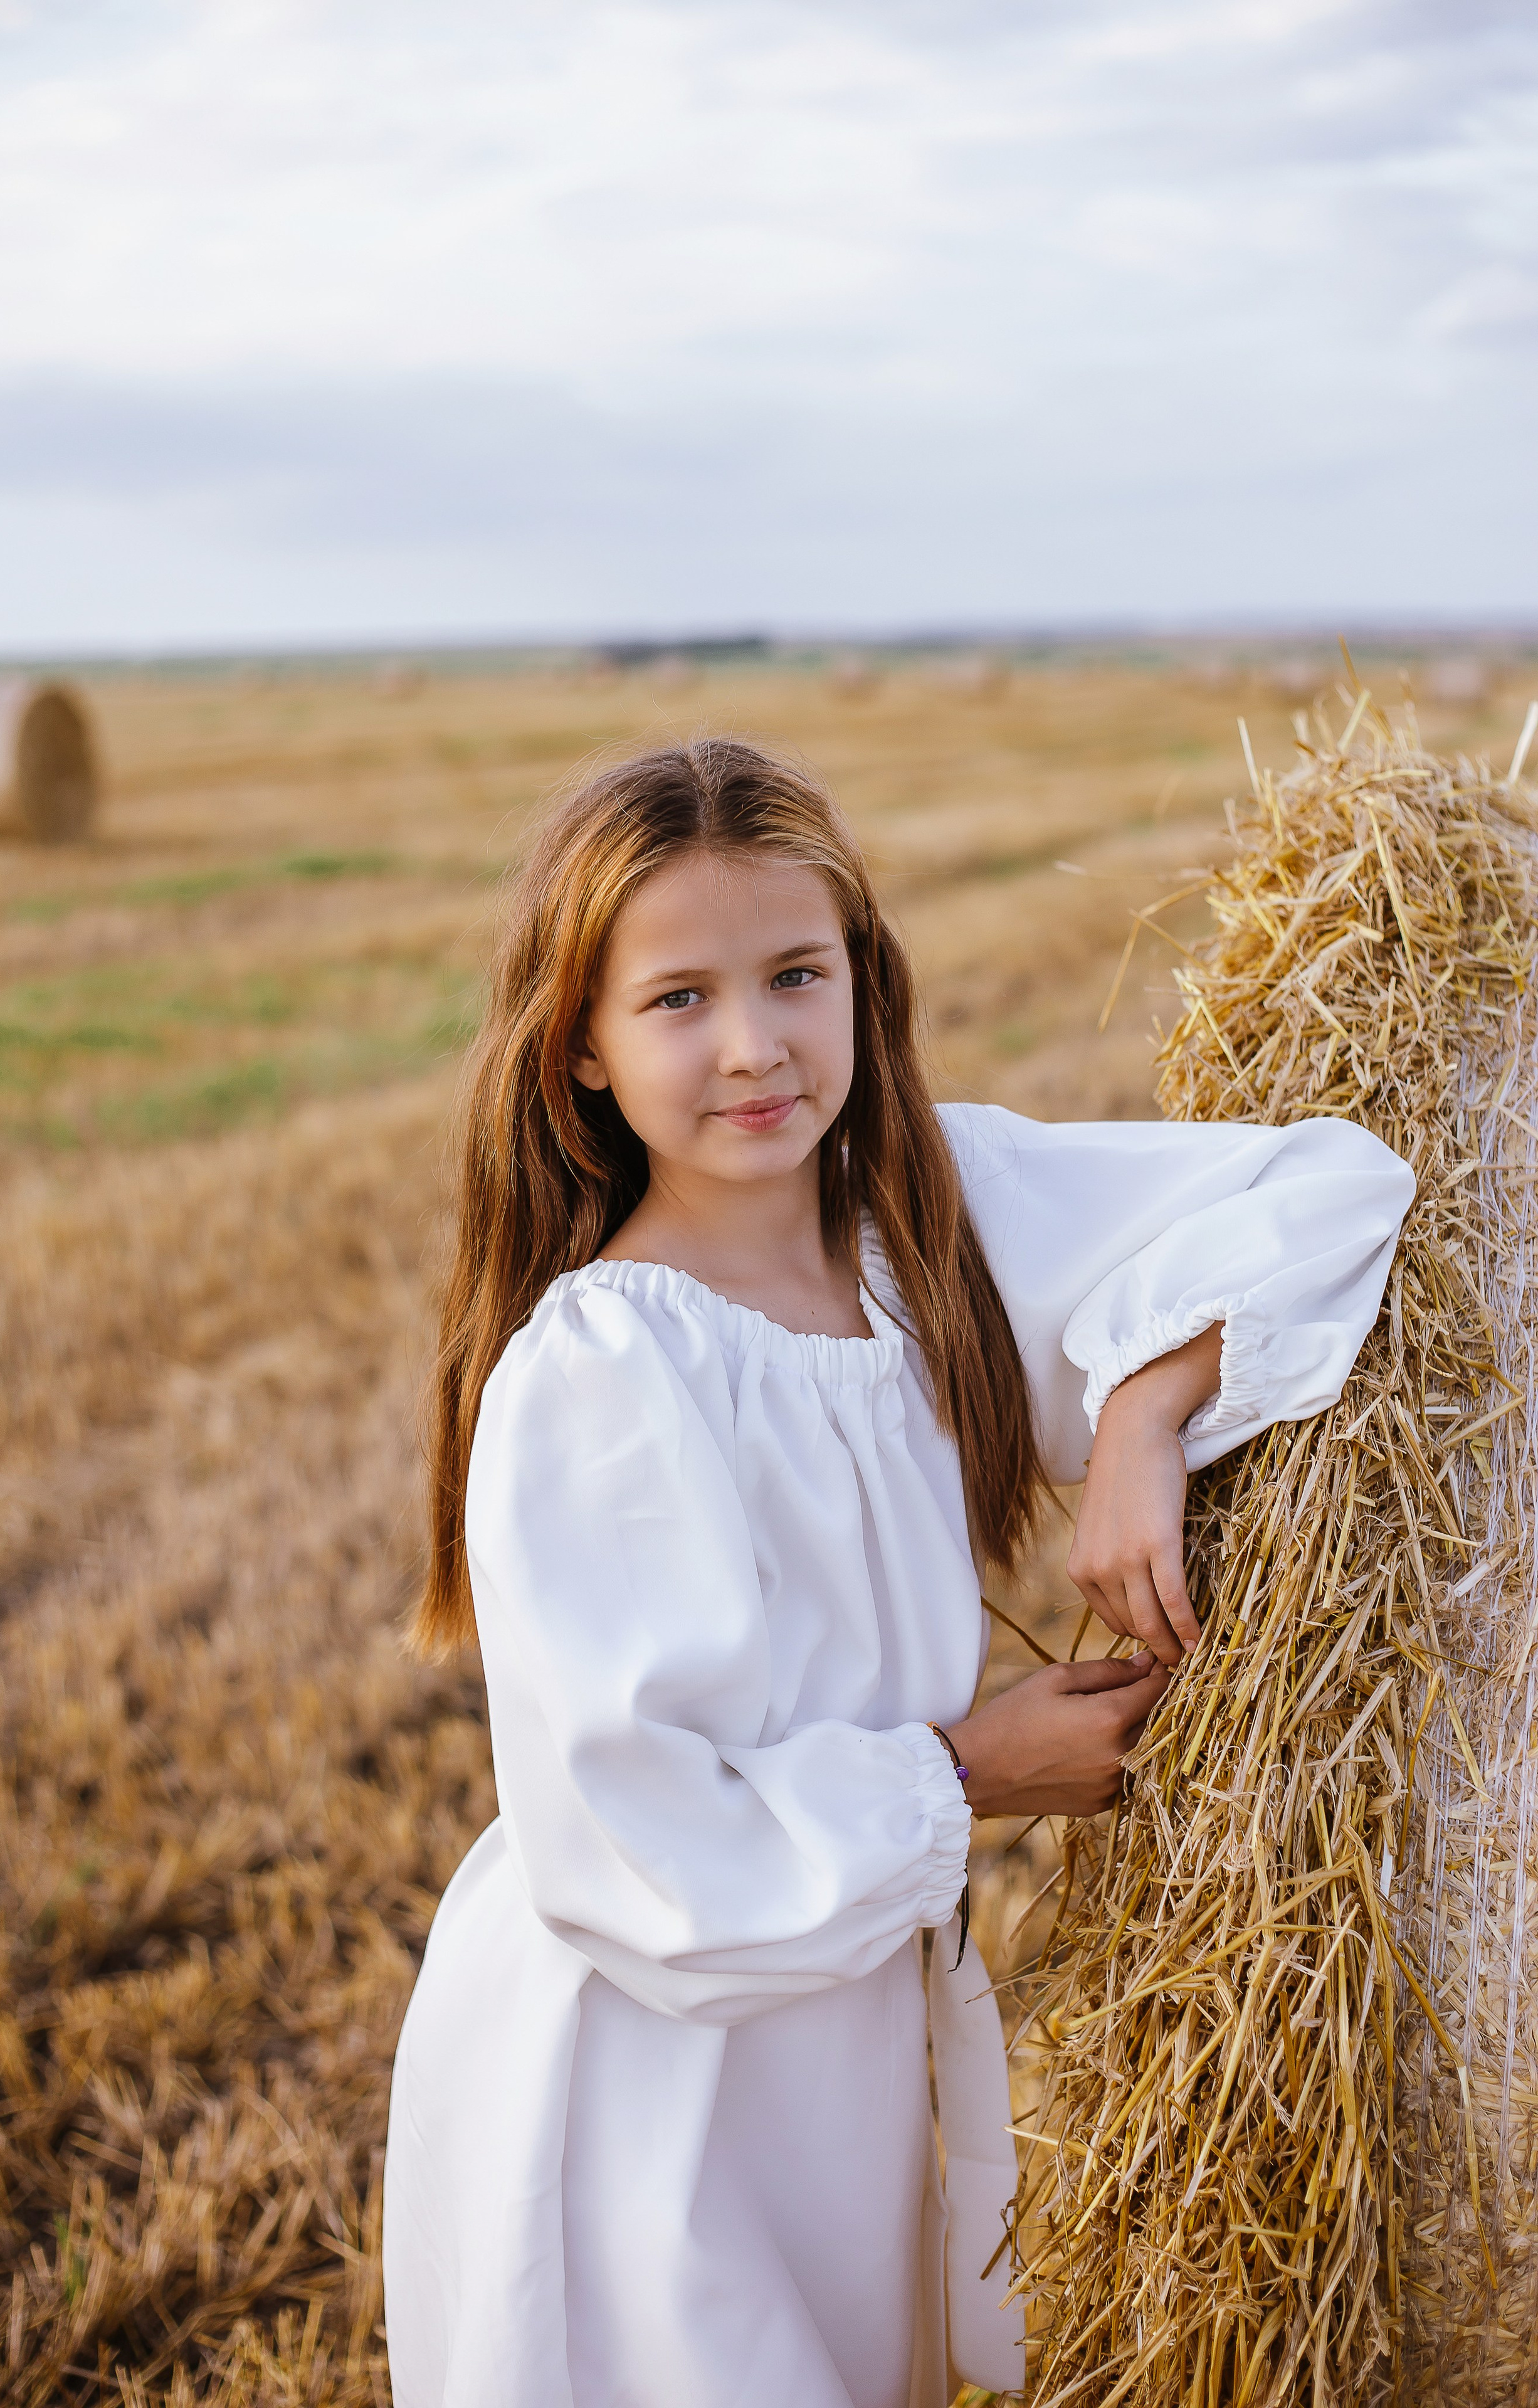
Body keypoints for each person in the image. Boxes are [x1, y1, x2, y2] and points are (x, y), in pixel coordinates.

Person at [382, 739, 1413, 2408]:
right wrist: (970, 1771)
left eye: (797, 974)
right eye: (678, 1000)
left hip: (844, 2025)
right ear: (578, 1047)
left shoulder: (930, 1223)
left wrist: (1144, 1412)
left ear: (863, 978)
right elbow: (640, 1855)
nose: (755, 1045)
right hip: (647, 2074)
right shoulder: (604, 1372)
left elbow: (1330, 1187)